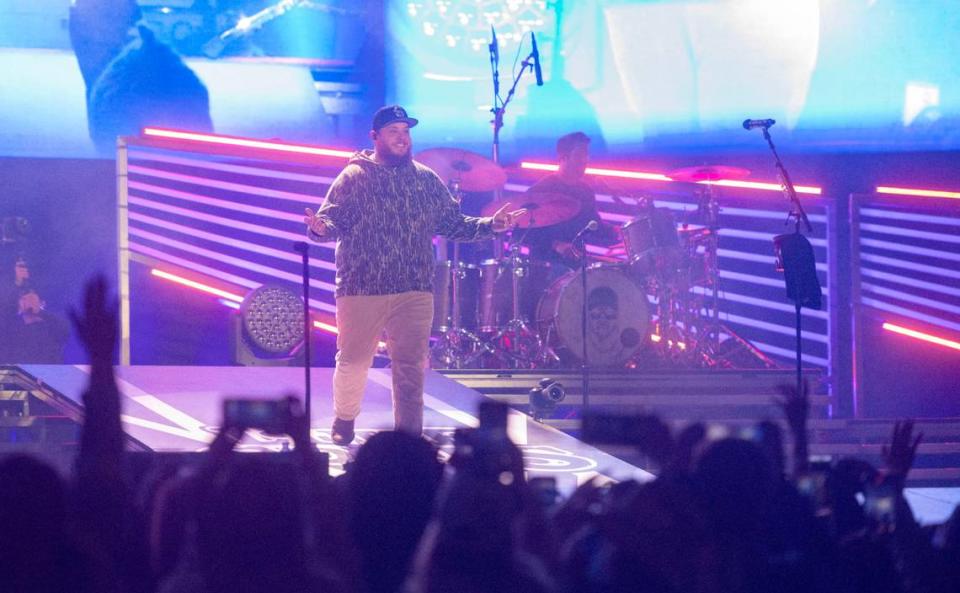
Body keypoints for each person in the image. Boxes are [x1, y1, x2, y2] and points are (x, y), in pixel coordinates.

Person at [304, 105, 523, 444]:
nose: (402, 138)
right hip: (362, 288)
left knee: (409, 369)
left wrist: (490, 225)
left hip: (414, 290)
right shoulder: (353, 177)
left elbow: (453, 224)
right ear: (375, 137)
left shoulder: (425, 179)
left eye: (406, 132)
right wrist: (320, 229)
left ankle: (409, 440)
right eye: (393, 131)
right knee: (353, 362)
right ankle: (345, 417)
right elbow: (330, 222)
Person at [521, 132, 619, 268]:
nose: (585, 160)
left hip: (577, 266)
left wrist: (621, 232)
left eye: (586, 154)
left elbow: (594, 225)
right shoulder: (541, 190)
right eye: (580, 154)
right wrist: (556, 245)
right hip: (546, 267)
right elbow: (520, 232)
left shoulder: (585, 190)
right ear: (563, 158)